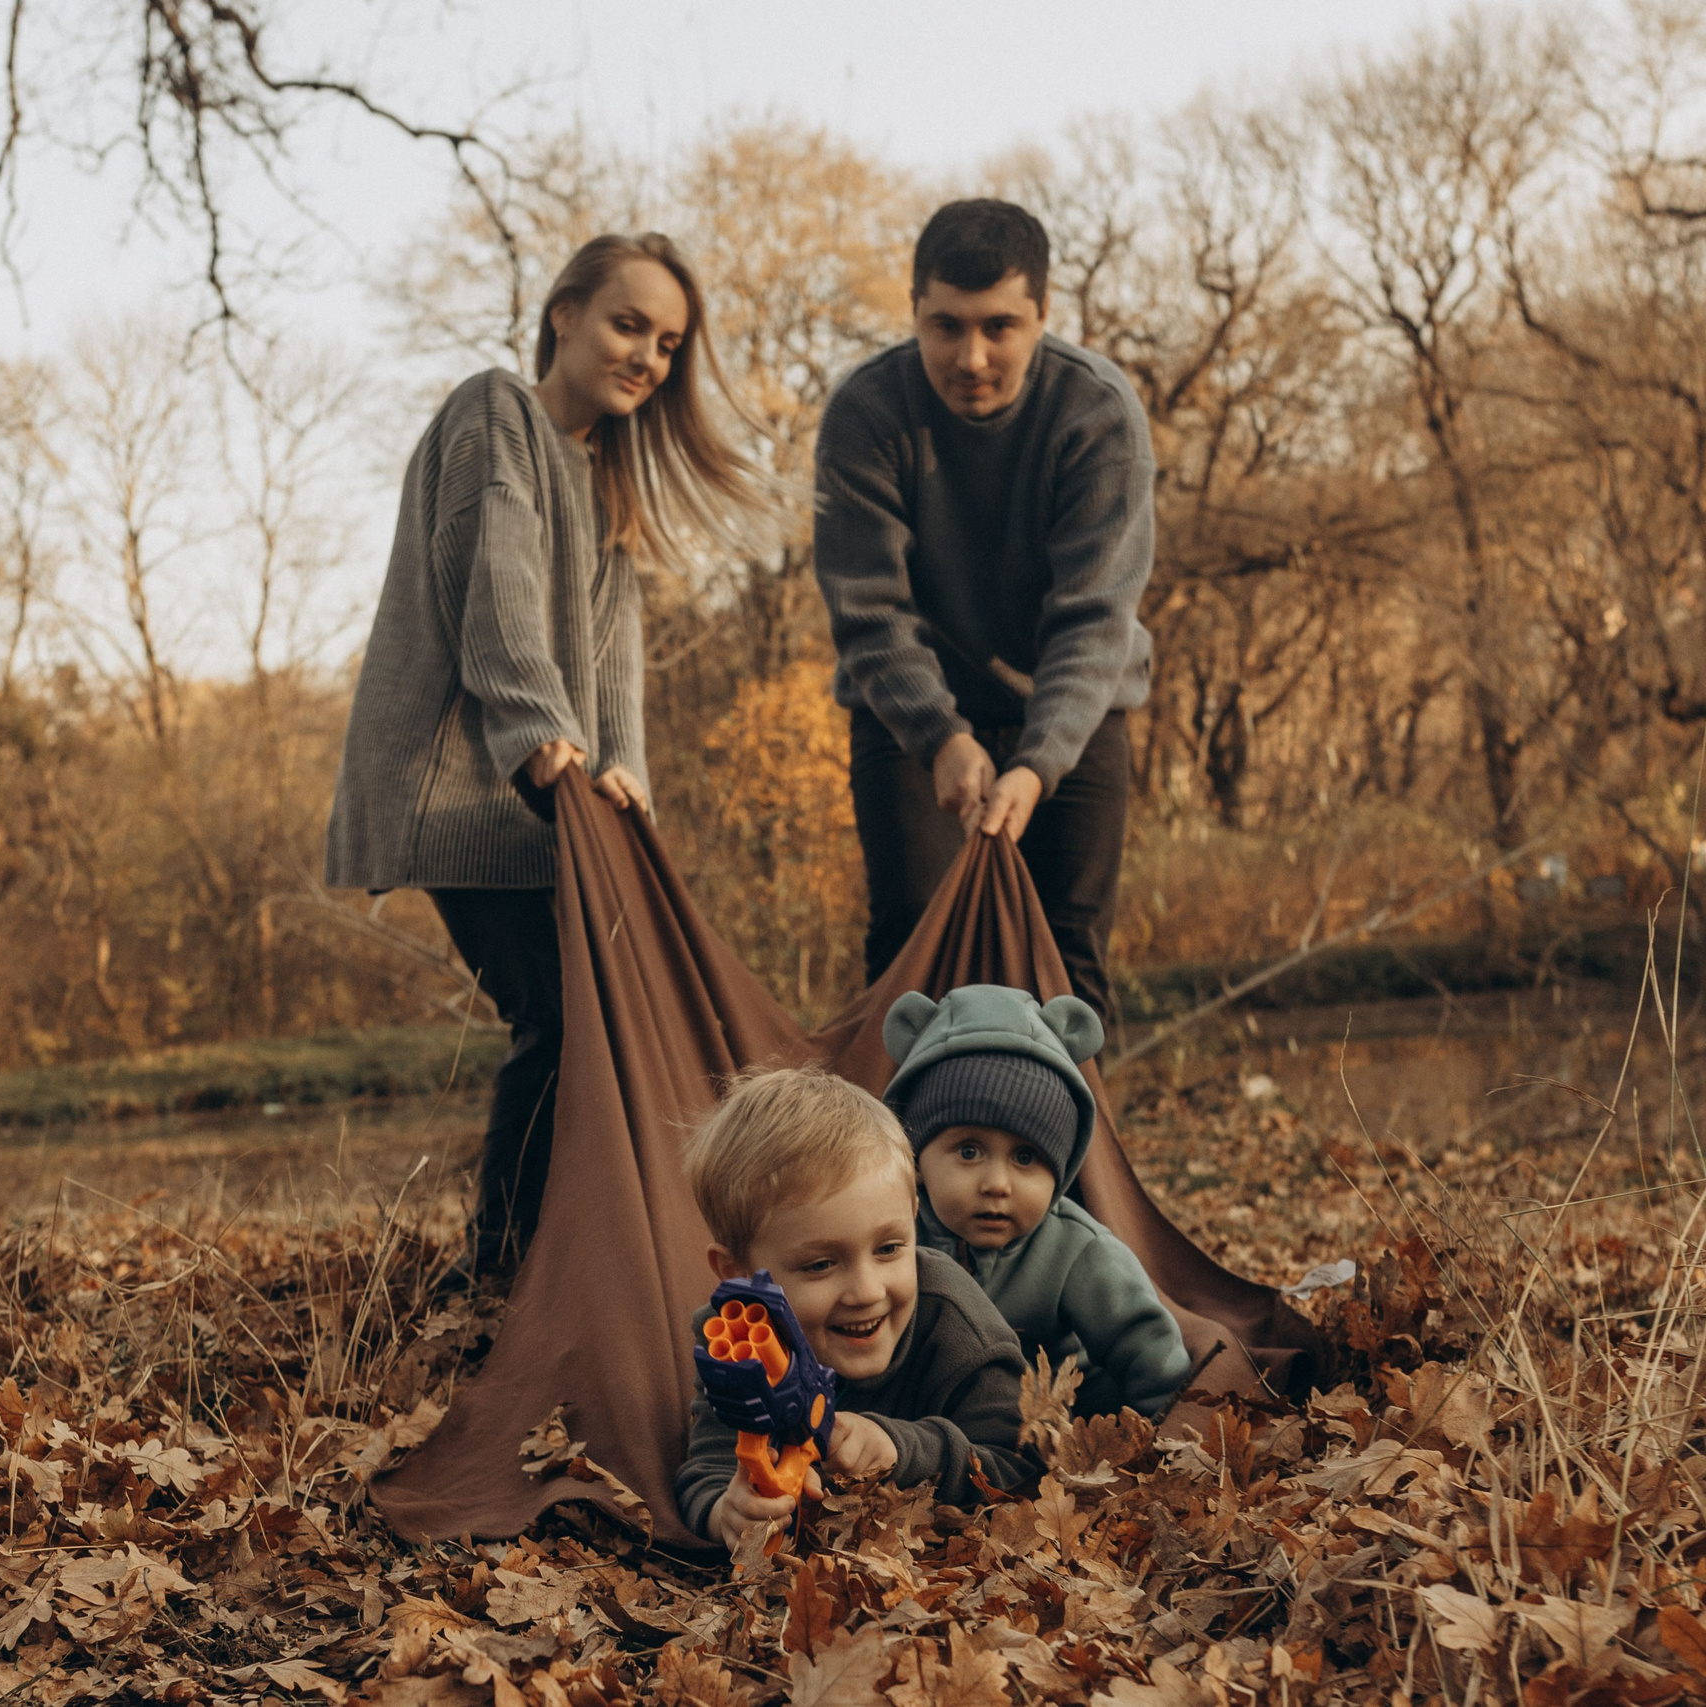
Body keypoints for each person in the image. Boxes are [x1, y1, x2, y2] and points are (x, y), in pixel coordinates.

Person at [326, 234, 769, 1284]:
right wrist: (538, 739)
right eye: (627, 325)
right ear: (563, 313)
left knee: (591, 1014)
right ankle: (504, 1269)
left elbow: (615, 667)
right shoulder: (496, 413)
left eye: (666, 344)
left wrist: (623, 775)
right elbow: (499, 585)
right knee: (558, 1014)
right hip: (461, 787)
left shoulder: (605, 478)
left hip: (549, 790)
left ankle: (570, 1253)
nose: (646, 358)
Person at [815, 199, 1155, 1031]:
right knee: (911, 958)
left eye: (1000, 326)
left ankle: (1076, 1164)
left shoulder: (1099, 412)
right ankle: (900, 1164)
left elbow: (1094, 617)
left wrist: (1039, 762)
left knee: (1067, 970)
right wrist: (942, 736)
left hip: (1071, 710)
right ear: (914, 312)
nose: (971, 356)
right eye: (946, 326)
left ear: (1044, 314)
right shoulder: (865, 413)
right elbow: (870, 610)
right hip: (909, 717)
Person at [673, 1066, 1037, 1549]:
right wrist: (727, 1510)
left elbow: (1019, 1471)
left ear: (913, 1218)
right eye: (822, 1264)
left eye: (888, 1249)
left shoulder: (960, 1328)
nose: (866, 1291)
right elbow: (709, 1465)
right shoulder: (738, 1343)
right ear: (740, 1277)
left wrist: (902, 1450)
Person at [881, 985, 1191, 1418]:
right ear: (915, 1160)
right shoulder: (892, 1239)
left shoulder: (1076, 1250)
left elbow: (1151, 1352)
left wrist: (1162, 1440)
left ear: (1059, 1174)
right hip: (945, 1429)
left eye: (1026, 1157)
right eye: (969, 1151)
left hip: (1062, 1425)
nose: (996, 1183)